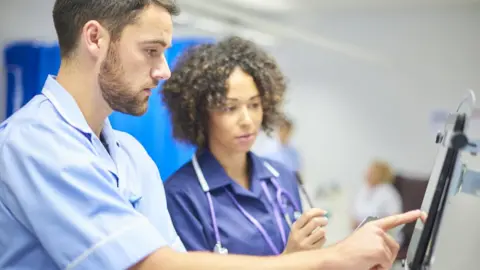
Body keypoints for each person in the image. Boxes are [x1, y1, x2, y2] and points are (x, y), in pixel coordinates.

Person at [0, 0, 425, 269]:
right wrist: (331, 258)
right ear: (95, 37)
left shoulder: (129, 154)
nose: (164, 69)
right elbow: (155, 266)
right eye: (151, 50)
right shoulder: (36, 144)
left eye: (255, 105)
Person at [162, 38, 326, 255]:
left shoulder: (282, 177)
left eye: (254, 105)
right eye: (230, 108)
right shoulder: (182, 195)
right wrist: (289, 260)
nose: (247, 120)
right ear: (199, 114)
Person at [351, 161, 403, 242]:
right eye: (368, 171)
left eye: (372, 172)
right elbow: (354, 215)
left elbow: (394, 219)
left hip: (382, 237)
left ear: (380, 174)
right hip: (362, 234)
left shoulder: (388, 192)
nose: (367, 174)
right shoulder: (364, 190)